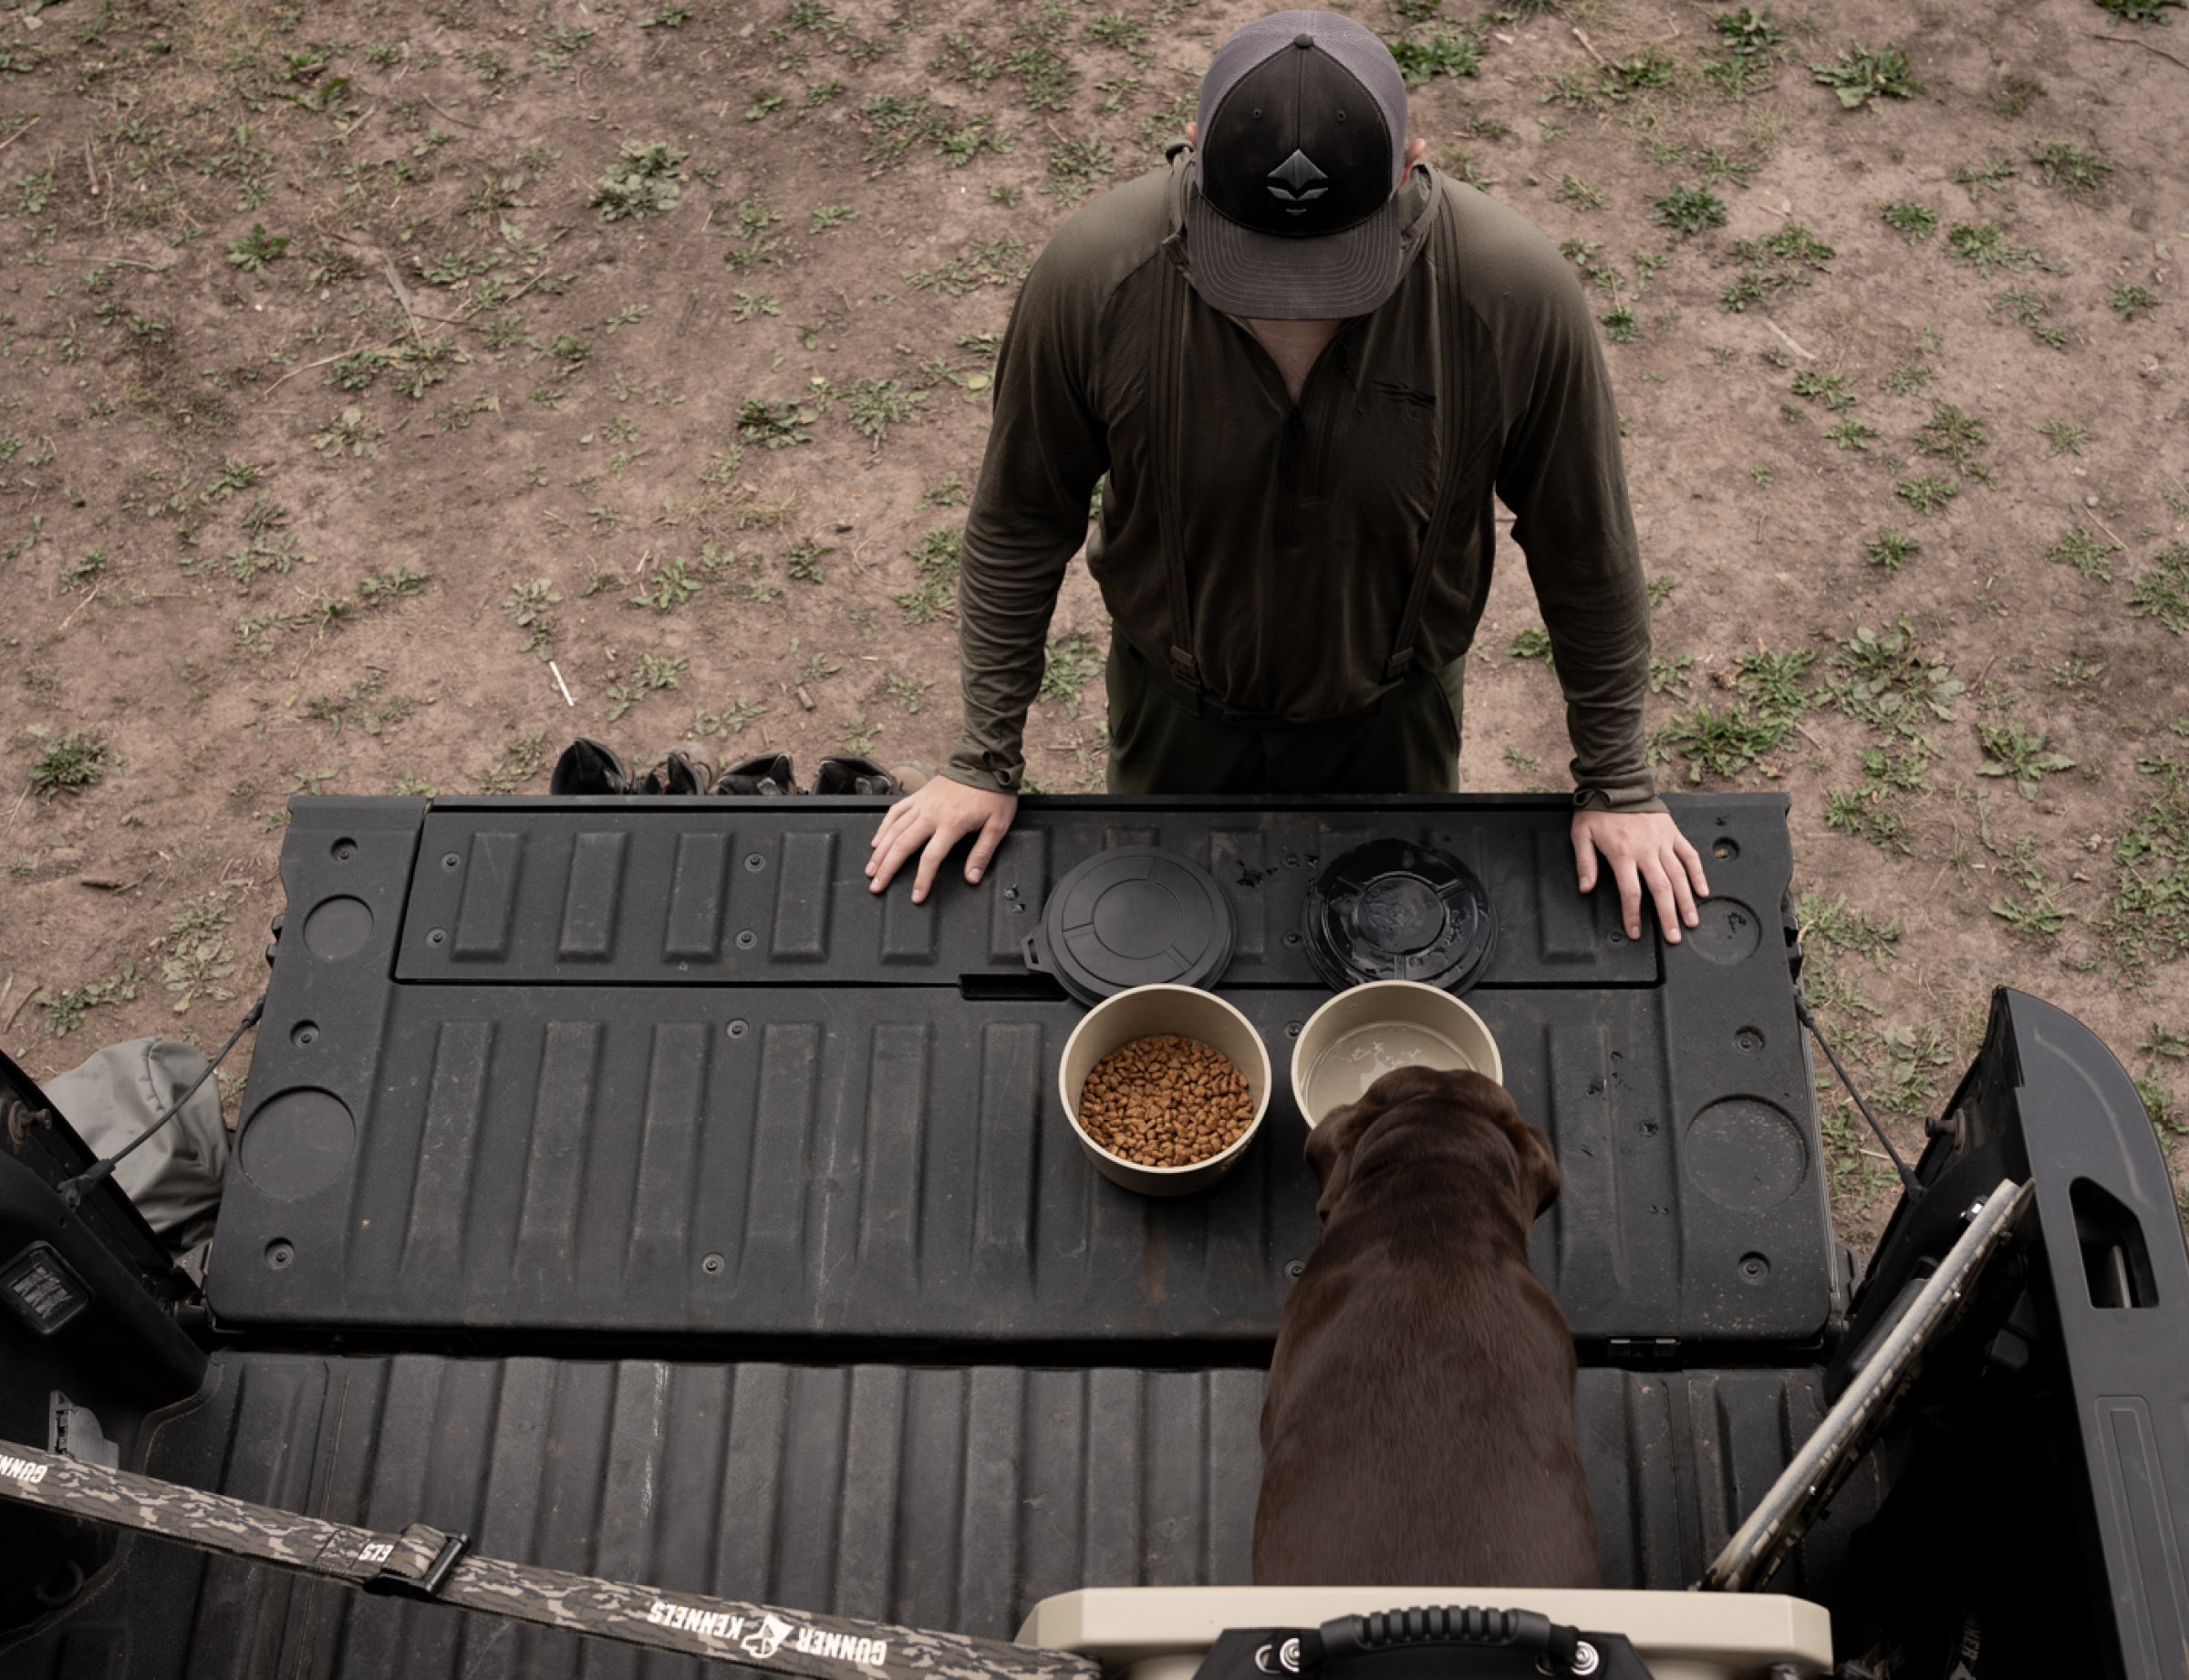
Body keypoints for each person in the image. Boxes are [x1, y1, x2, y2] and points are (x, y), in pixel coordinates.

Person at [866, 7, 1708, 942]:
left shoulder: (1509, 295)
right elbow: (1022, 519)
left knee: (1394, 971)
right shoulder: (1094, 278)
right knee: (1157, 962)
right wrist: (983, 759)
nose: (1294, 304)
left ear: (1410, 162)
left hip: (1396, 717)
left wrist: (1619, 782)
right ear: (1191, 151)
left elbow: (1582, 542)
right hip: (1173, 713)